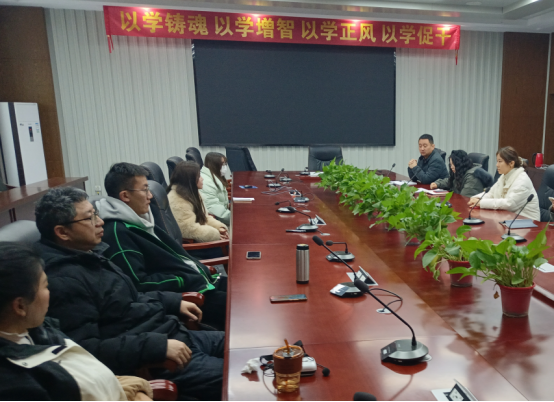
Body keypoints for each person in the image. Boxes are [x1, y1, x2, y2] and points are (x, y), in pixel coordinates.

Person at [34, 187, 224, 401]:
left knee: (247, 347)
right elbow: (86, 349)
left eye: (96, 214)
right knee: (244, 376)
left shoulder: (87, 255)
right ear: (62, 232)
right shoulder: (62, 280)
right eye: (89, 218)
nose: (100, 222)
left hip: (171, 333)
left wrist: (174, 301)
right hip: (158, 359)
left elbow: (130, 297)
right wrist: (155, 347)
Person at [0, 242, 154, 401]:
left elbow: (85, 374)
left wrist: (129, 389)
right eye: (45, 286)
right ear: (20, 306)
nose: (50, 291)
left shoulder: (38, 328)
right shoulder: (15, 384)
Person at [97, 163, 227, 330]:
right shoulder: (117, 233)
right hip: (189, 296)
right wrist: (184, 278)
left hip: (200, 281)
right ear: (125, 196)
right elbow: (138, 284)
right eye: (145, 190)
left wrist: (198, 270)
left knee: (245, 290)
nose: (150, 196)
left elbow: (174, 256)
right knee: (244, 307)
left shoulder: (139, 220)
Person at [168, 161, 229, 260]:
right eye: (199, 176)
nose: (202, 178)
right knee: (235, 248)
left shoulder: (191, 193)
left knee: (235, 242)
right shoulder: (178, 200)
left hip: (200, 239)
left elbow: (204, 217)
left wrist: (219, 228)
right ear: (190, 180)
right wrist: (215, 234)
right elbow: (188, 229)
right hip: (193, 247)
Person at [468, 146, 540, 221]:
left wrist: (481, 203)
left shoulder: (522, 180)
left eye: (500, 161)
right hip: (508, 218)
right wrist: (476, 198)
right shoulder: (504, 176)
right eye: (497, 161)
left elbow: (509, 204)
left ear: (511, 163)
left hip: (527, 222)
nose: (497, 165)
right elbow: (491, 193)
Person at [200, 152, 231, 226]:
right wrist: (235, 218)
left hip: (222, 214)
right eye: (222, 164)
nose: (225, 167)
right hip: (217, 221)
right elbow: (214, 208)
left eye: (225, 164)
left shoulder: (214, 176)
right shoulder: (206, 182)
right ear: (214, 166)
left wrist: (229, 206)